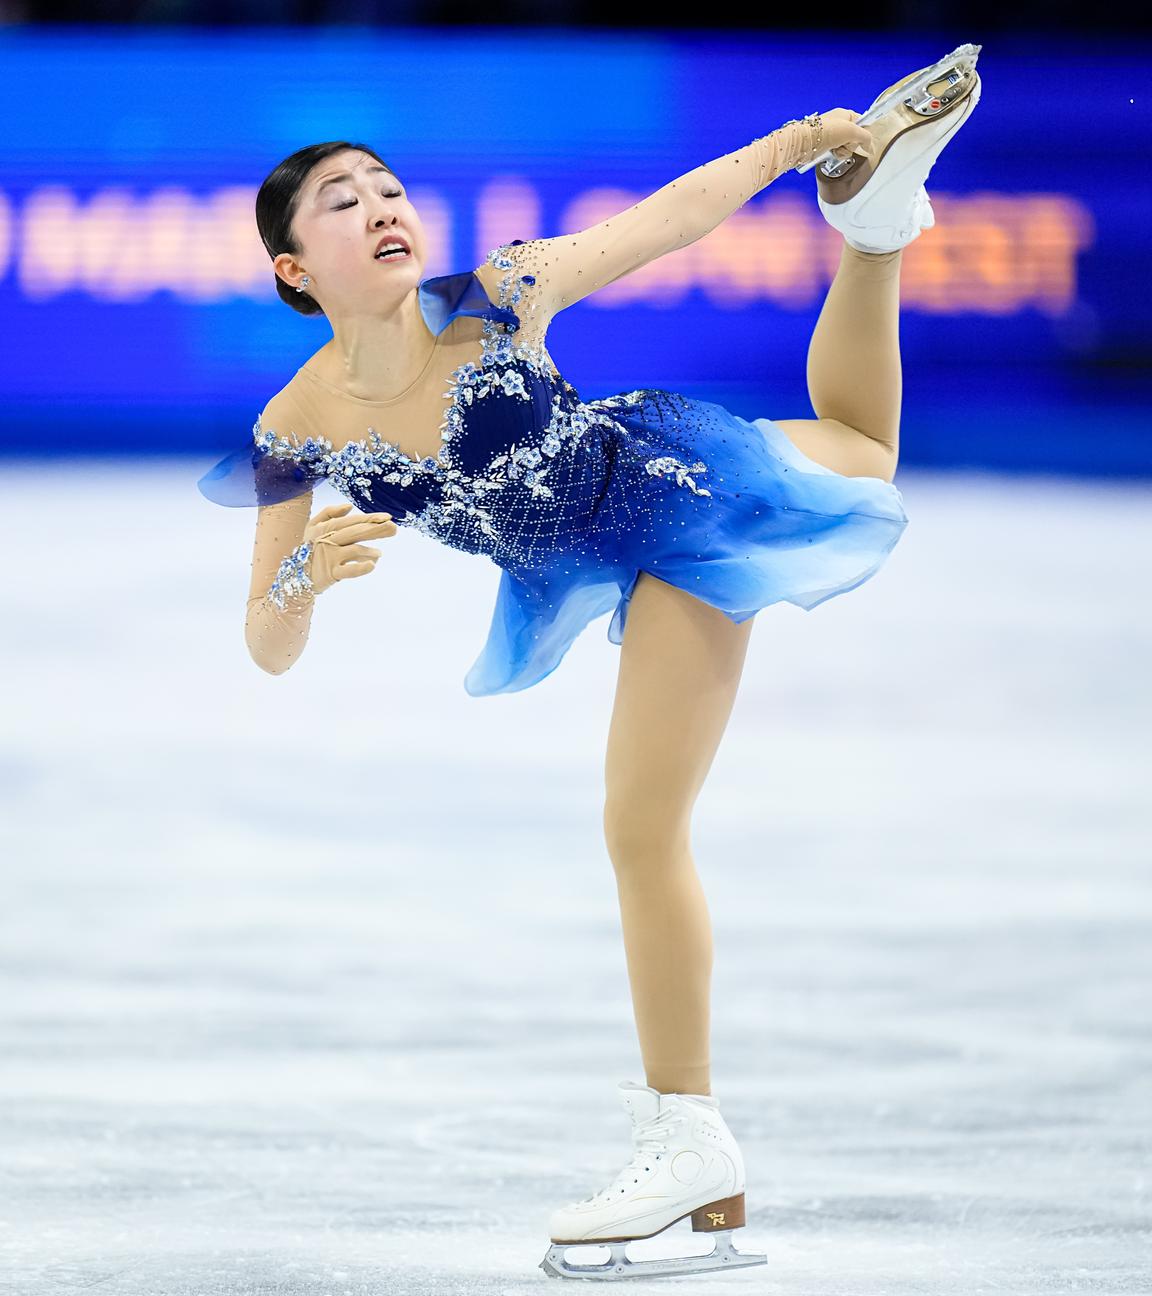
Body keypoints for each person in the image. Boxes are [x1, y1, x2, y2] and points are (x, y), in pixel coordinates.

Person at [198, 43, 982, 1281]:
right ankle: (877, 232)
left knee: (640, 824)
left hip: (670, 495)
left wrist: (798, 142)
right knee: (860, 446)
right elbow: (266, 643)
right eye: (342, 201)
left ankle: (689, 1138)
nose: (382, 206)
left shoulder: (494, 295)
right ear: (294, 268)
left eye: (389, 187)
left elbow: (666, 222)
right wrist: (304, 580)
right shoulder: (293, 427)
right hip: (587, 554)